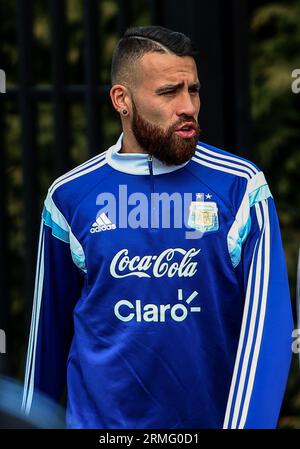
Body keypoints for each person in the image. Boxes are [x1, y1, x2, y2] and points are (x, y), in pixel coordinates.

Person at [22, 25, 293, 429]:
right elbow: (45, 343)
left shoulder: (241, 188)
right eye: (169, 92)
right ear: (122, 100)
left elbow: (268, 333)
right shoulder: (69, 196)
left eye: (194, 90)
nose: (188, 106)